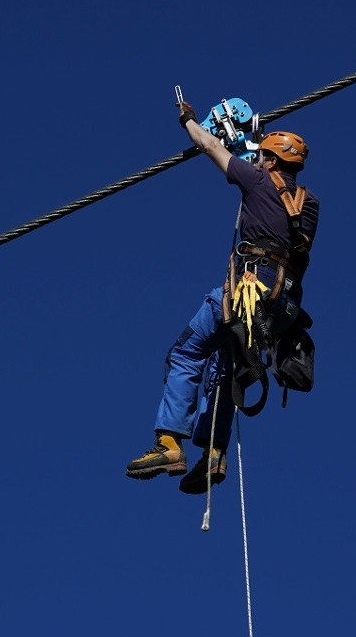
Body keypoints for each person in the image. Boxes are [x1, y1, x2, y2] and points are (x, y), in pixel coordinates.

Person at [125, 100, 320, 494]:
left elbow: (212, 148)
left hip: (249, 292)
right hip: (281, 308)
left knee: (187, 352)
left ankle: (168, 445)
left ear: (269, 159)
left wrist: (188, 121)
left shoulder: (258, 180)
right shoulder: (309, 204)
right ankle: (213, 454)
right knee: (225, 370)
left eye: (263, 156)